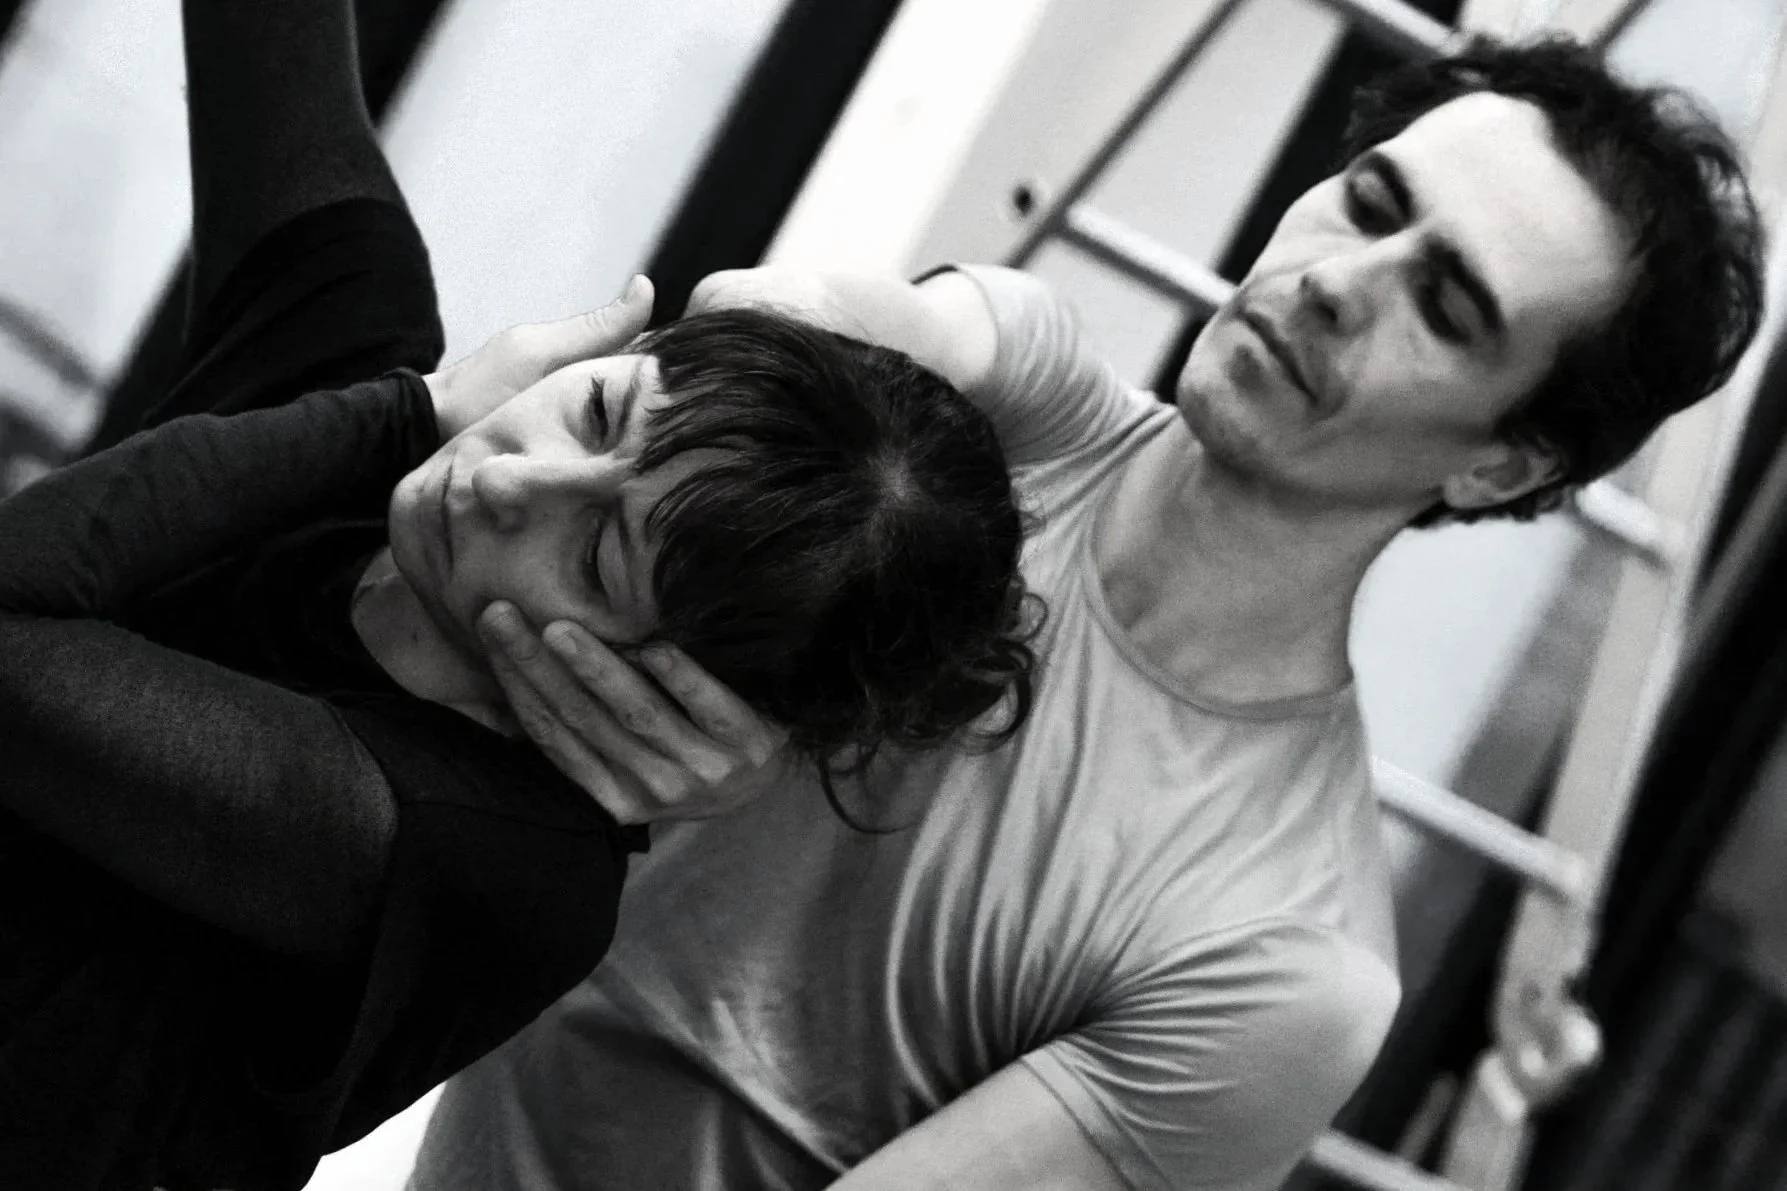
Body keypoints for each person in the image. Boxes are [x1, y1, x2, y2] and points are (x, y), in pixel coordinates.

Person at [412, 34, 1766, 1191]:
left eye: (1446, 302)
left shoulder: (1283, 956)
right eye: (1364, 202)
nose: (1338, 281)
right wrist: (775, 341)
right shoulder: (1020, 404)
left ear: (1498, 461)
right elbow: (778, 318)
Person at [0, 3, 1036, 1189]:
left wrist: (399, 411)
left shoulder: (492, 860)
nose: (505, 477)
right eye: (598, 412)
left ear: (670, 684)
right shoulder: (353, 370)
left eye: (598, 555)